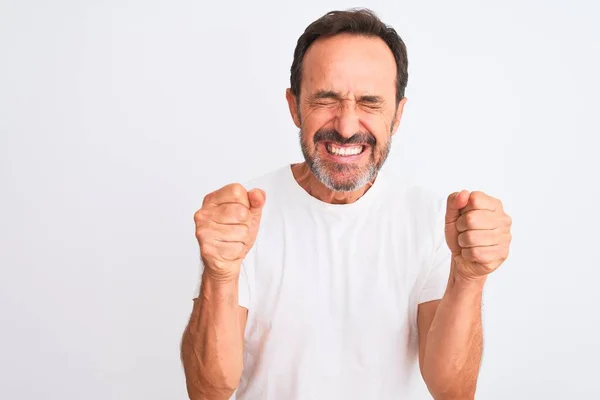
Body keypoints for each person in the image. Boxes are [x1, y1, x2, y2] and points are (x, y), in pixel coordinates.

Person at [181, 8, 512, 400]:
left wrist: (469, 277)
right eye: (327, 99)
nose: (348, 125)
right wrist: (219, 275)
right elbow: (208, 392)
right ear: (294, 106)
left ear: (398, 115)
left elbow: (451, 391)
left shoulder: (432, 220)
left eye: (370, 102)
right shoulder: (242, 218)